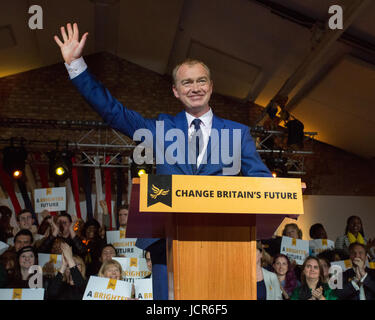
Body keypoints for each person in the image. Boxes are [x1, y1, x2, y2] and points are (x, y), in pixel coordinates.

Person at [54, 23, 272, 299]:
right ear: (176, 91)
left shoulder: (238, 133)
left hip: (223, 243)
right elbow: (114, 112)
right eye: (187, 82)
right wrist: (76, 65)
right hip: (166, 246)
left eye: (201, 80)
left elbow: (262, 183)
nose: (195, 88)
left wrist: (282, 195)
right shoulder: (161, 128)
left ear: (211, 86)